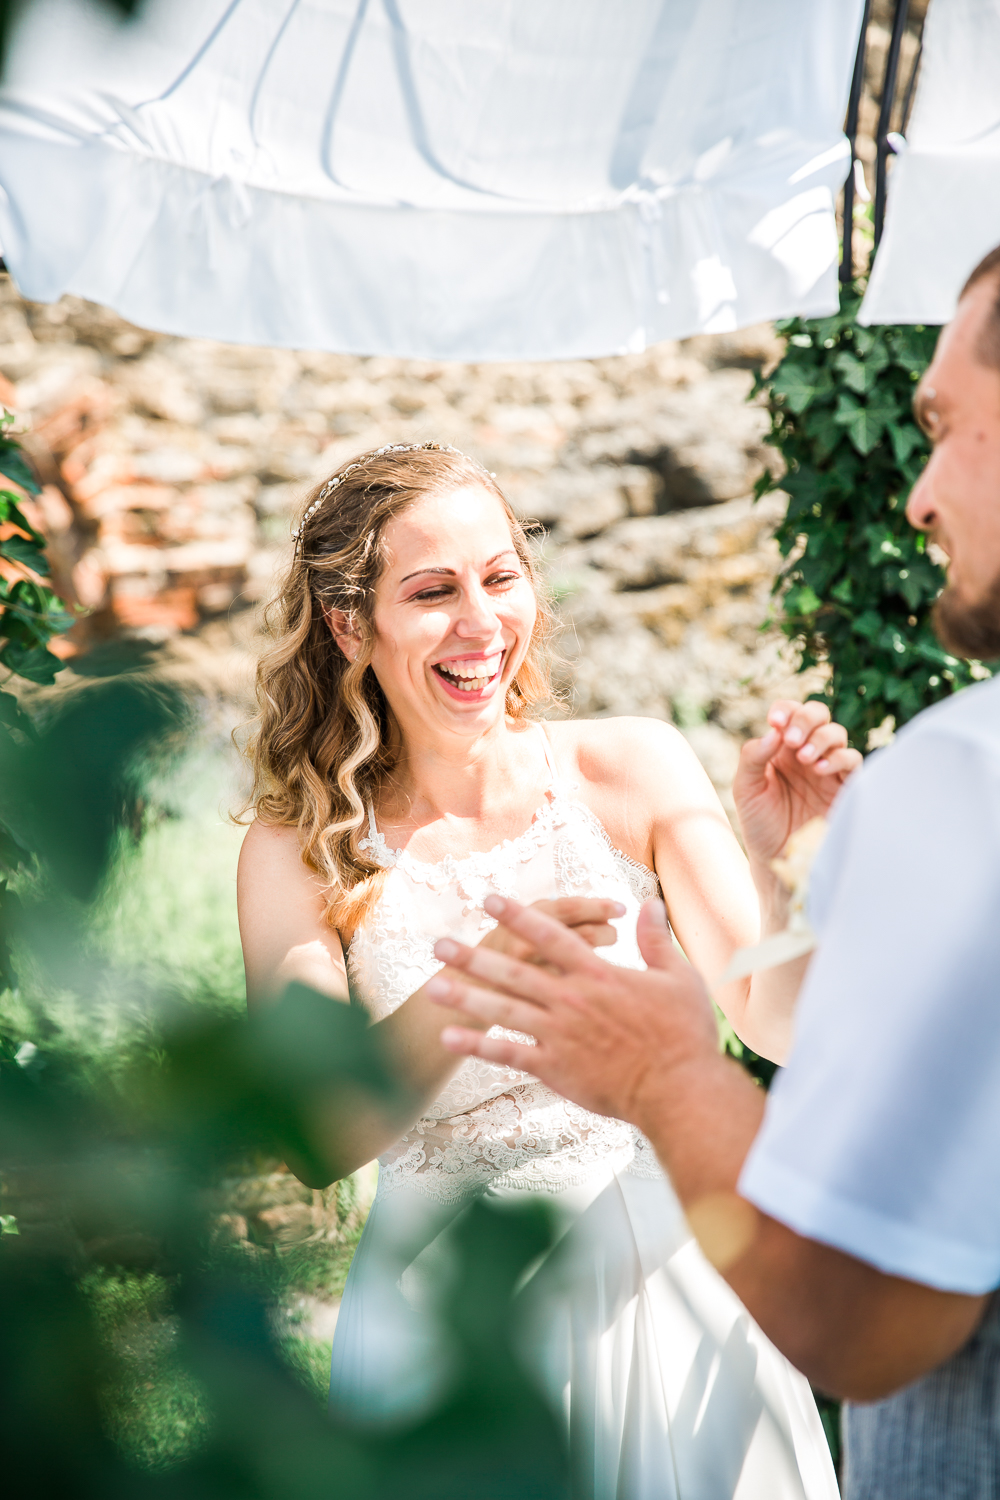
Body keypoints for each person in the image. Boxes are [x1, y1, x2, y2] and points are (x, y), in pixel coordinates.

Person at [431, 245, 1000, 1498]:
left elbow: (853, 1321)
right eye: (430, 590)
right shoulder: (290, 840)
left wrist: (661, 1073)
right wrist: (780, 871)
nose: (913, 493)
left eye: (950, 426)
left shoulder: (964, 780)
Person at [236, 439, 857, 1498]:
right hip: (441, 1316)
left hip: (666, 1282)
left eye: (500, 575)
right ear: (352, 626)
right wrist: (470, 986)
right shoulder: (293, 847)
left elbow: (776, 1025)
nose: (480, 623)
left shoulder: (633, 765)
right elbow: (312, 1135)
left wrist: (782, 861)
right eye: (432, 591)